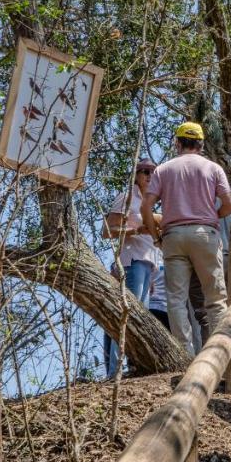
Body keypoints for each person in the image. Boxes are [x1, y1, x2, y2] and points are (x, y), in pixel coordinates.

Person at [142, 122, 231, 352]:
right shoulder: (213, 168)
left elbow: (146, 207)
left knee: (175, 300)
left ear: (177, 143)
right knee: (215, 300)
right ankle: (219, 354)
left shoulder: (163, 170)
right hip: (205, 234)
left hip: (173, 236)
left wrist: (156, 237)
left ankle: (185, 355)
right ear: (201, 144)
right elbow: (230, 204)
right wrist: (212, 215)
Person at [101, 159, 158, 378]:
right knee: (126, 315)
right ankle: (116, 370)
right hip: (131, 261)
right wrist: (135, 231)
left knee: (139, 318)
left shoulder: (150, 202)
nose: (149, 175)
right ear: (136, 174)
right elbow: (107, 231)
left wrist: (153, 276)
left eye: (153, 171)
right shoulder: (126, 198)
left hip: (146, 265)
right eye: (144, 171)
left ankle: (133, 366)